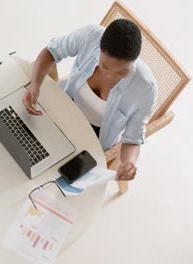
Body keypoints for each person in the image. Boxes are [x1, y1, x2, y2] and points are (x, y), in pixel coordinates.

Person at [22, 19, 157, 181]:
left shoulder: (146, 89)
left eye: (122, 72)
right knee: (23, 141)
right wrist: (35, 84)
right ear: (99, 49)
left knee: (52, 180)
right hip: (64, 105)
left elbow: (132, 139)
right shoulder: (91, 35)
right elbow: (52, 51)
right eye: (104, 66)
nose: (111, 76)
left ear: (134, 62)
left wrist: (129, 162)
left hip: (93, 140)